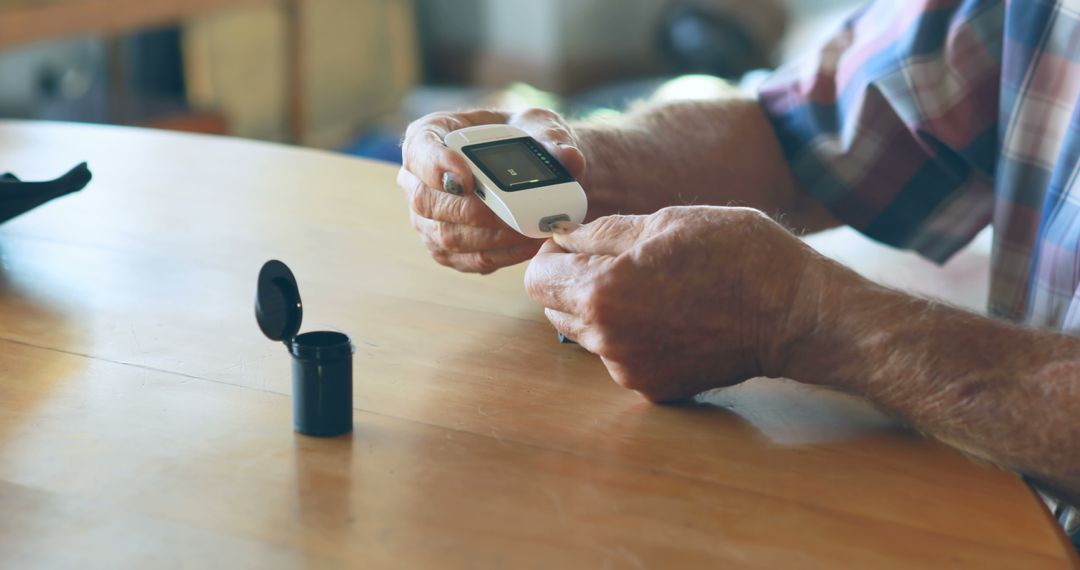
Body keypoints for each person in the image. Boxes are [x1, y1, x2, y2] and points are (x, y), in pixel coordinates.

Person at [397, 0, 1080, 536]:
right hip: (1008, 507)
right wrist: (577, 159)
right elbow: (800, 133)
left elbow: (803, 297)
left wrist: (811, 319)